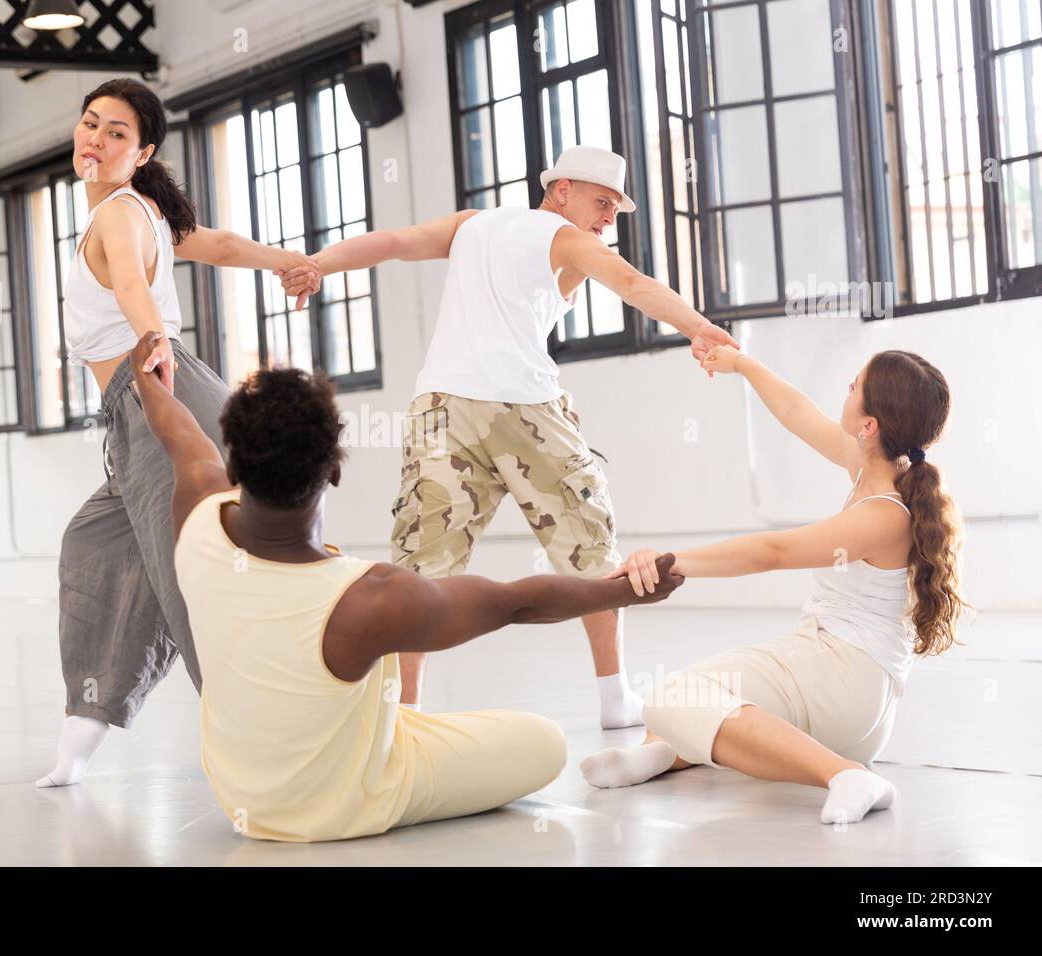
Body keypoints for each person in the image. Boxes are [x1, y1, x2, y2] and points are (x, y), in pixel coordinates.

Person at [125, 330, 685, 841]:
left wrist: (147, 376)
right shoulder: (367, 599)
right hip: (346, 804)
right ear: (335, 469)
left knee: (398, 720)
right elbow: (518, 603)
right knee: (545, 741)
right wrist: (628, 589)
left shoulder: (197, 513)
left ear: (235, 466)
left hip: (241, 795)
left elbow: (176, 429)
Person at [281, 145, 737, 728]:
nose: (605, 219)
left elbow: (396, 243)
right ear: (562, 189)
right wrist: (700, 329)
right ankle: (615, 696)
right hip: (524, 408)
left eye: (614, 211)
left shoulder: (476, 225)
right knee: (589, 545)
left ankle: (407, 714)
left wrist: (321, 262)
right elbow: (630, 282)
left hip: (441, 408)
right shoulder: (569, 240)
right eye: (601, 202)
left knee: (422, 562)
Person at [37, 78, 321, 787]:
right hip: (149, 404)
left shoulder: (118, 219)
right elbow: (218, 244)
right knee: (95, 544)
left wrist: (153, 335)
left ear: (143, 152)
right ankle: (86, 725)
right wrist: (283, 260)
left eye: (117, 134)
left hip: (158, 393)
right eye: (91, 124)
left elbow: (133, 283)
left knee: (187, 575)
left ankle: (264, 747)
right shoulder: (140, 210)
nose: (95, 141)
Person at [580, 347, 967, 825]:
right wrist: (741, 363)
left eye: (855, 385)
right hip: (826, 665)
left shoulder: (885, 515)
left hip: (848, 684)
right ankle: (662, 753)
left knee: (667, 698)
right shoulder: (873, 469)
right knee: (689, 697)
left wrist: (670, 563)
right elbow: (796, 412)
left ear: (870, 425)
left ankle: (844, 774)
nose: (847, 387)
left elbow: (771, 552)